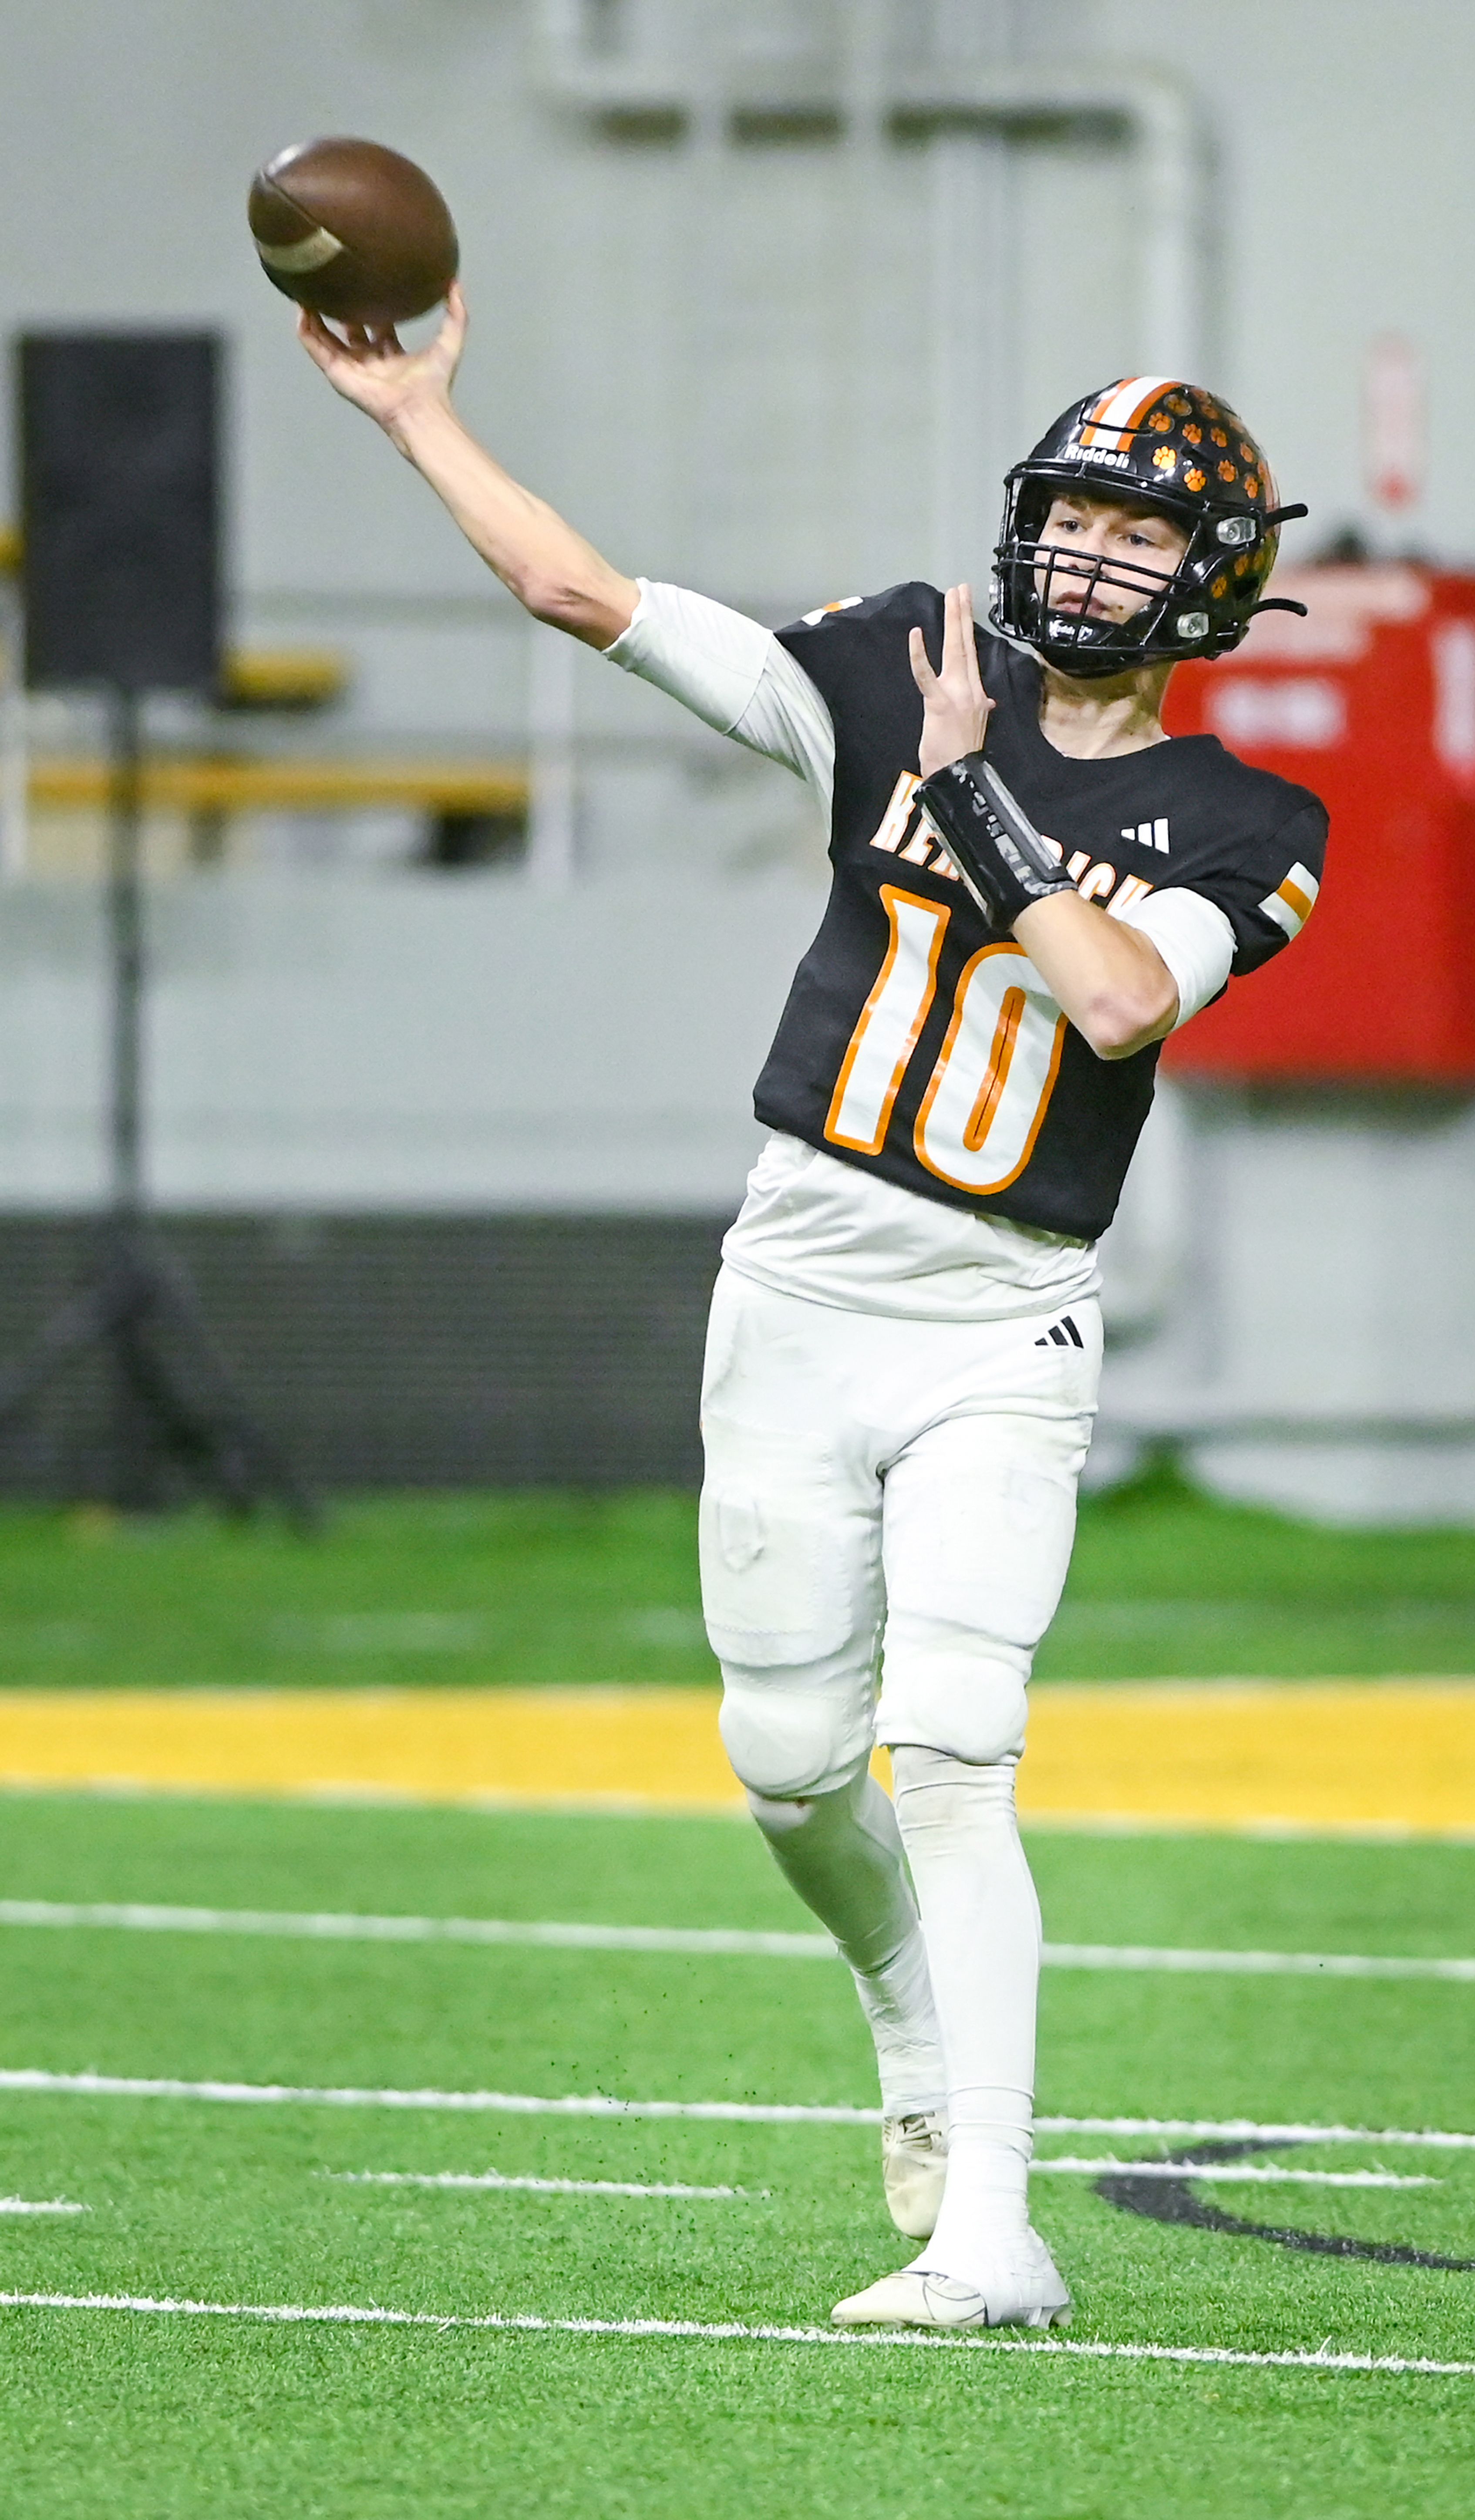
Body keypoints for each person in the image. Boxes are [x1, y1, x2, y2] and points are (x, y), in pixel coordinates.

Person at [299, 302, 1328, 2333]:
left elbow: (1114, 1000)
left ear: (1211, 586)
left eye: (1143, 536)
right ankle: (903, 2011)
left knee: (953, 1751)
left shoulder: (1249, 823)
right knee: (788, 1768)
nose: (1094, 560)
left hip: (1002, 1318)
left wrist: (983, 804)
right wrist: (421, 412)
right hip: (797, 1284)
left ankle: (992, 2229)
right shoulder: (895, 664)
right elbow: (576, 589)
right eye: (1081, 517)